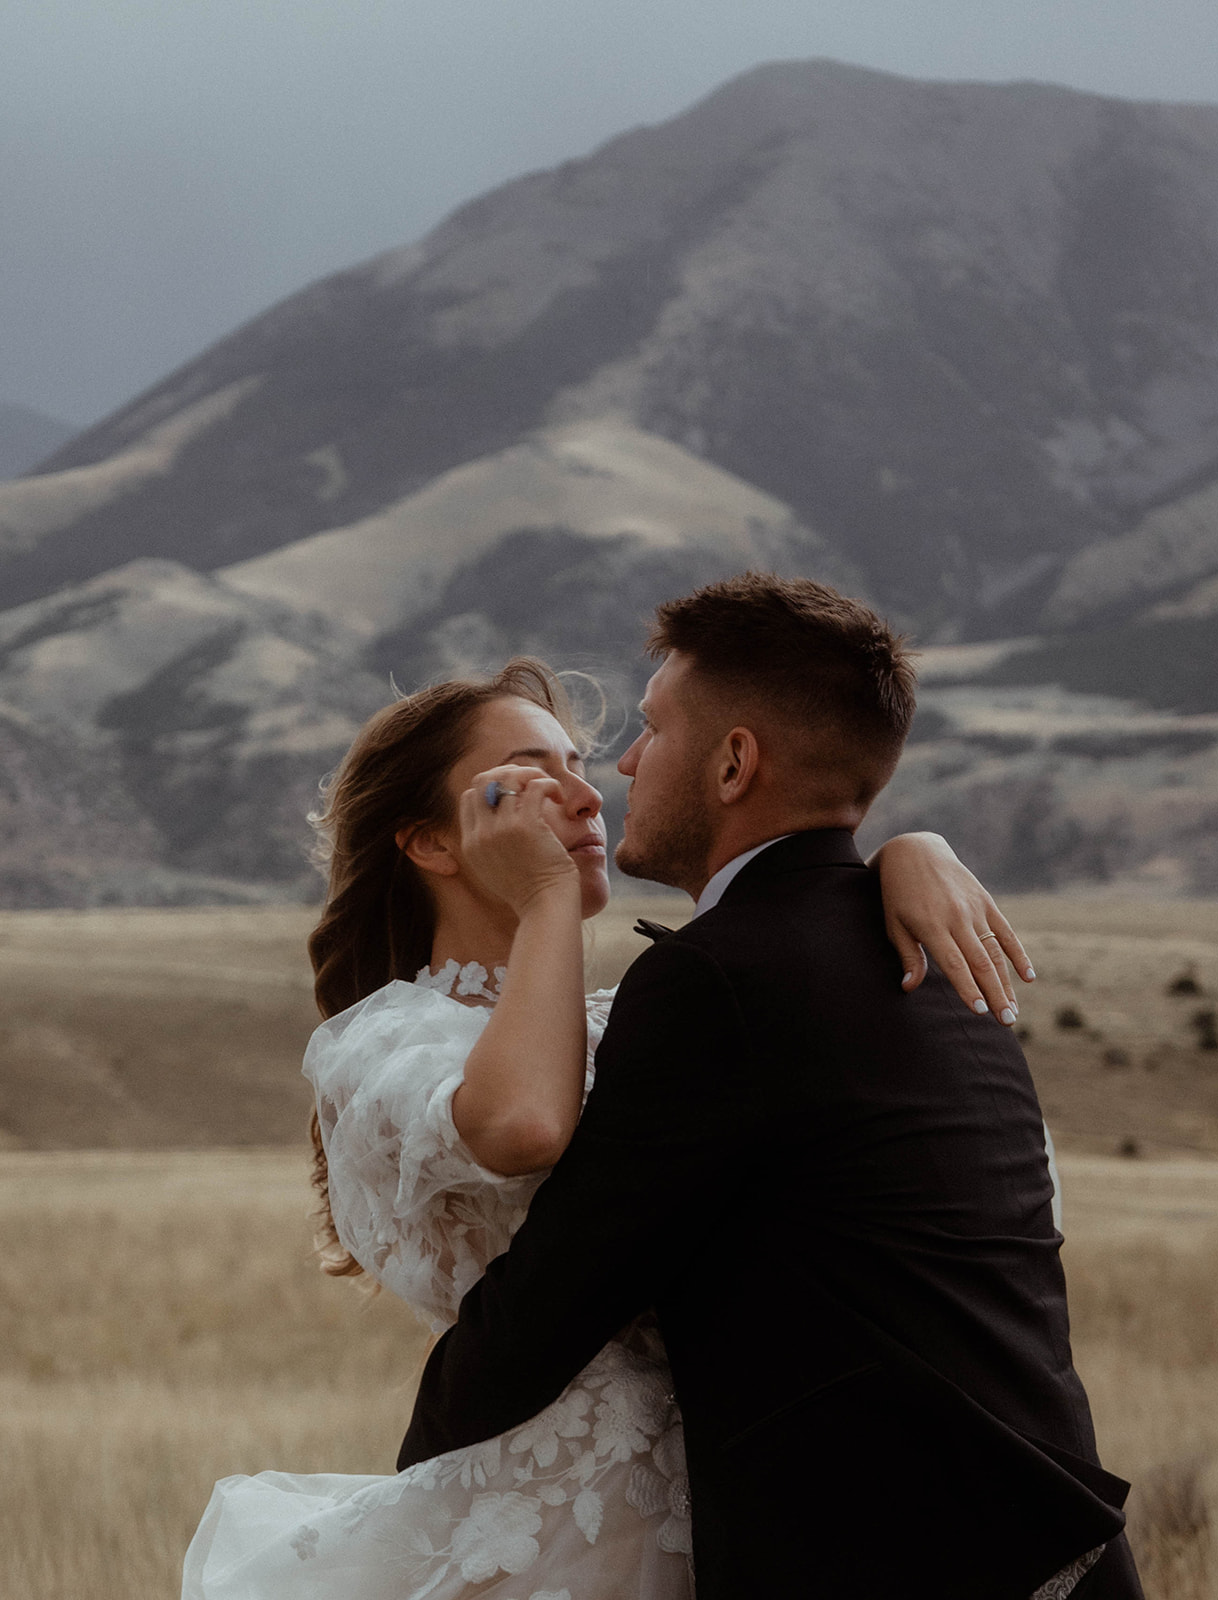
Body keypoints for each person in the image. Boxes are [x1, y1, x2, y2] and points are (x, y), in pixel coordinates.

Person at [181, 650, 1035, 1600]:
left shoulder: (641, 1013)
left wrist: (907, 852)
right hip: (559, 1541)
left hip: (749, 1519)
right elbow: (524, 1127)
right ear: (431, 843)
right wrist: (547, 898)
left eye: (580, 764)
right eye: (529, 776)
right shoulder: (383, 1044)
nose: (586, 795)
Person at [397, 576, 1144, 1599]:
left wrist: (404, 1518)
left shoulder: (718, 980)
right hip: (1064, 1546)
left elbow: (546, 1307)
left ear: (733, 761)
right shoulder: (936, 958)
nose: (623, 762)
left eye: (651, 729)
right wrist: (906, 846)